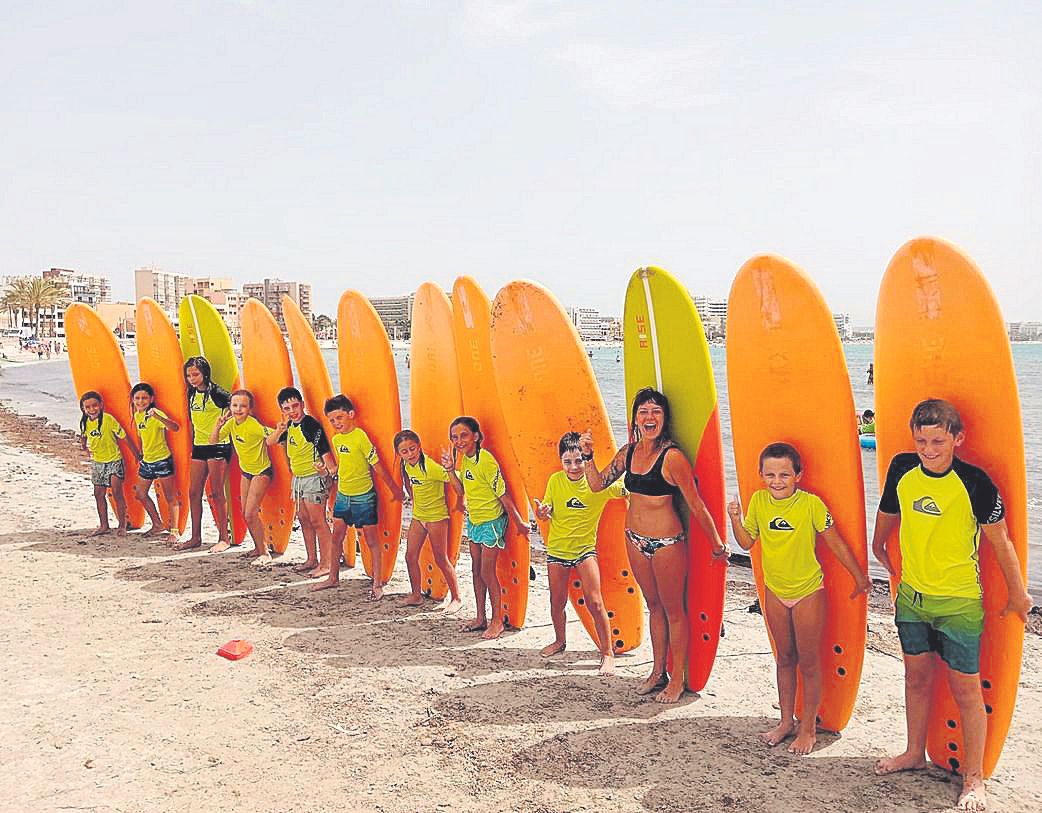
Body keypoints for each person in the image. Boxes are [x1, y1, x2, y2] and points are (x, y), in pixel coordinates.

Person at [872, 398, 1033, 812]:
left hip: (959, 602)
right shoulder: (902, 468)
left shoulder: (976, 482)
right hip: (912, 597)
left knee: (966, 690)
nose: (928, 449)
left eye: (938, 441)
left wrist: (1019, 594)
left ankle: (974, 778)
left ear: (957, 438)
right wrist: (878, 543)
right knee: (915, 679)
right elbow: (889, 509)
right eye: (922, 440)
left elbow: (1001, 541)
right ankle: (913, 753)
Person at [581, 387, 727, 703]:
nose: (650, 417)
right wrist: (588, 457)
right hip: (634, 539)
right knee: (654, 606)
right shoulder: (629, 452)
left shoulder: (672, 458)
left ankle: (677, 680)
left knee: (674, 610)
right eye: (644, 412)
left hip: (666, 543)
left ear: (664, 419)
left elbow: (696, 504)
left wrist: (717, 545)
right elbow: (596, 484)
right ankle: (657, 671)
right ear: (635, 418)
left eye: (656, 412)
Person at [727, 442, 871, 754]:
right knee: (784, 658)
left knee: (808, 662)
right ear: (761, 475)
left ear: (798, 476)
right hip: (775, 592)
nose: (776, 480)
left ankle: (808, 729)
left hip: (808, 592)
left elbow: (835, 543)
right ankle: (785, 722)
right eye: (770, 474)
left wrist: (860, 577)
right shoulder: (759, 501)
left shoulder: (811, 505)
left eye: (784, 474)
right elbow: (747, 541)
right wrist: (734, 517)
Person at [534, 431, 625, 676]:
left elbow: (627, 488)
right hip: (557, 551)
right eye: (567, 462)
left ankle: (607, 653)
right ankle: (560, 641)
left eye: (578, 461)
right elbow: (546, 511)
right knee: (557, 603)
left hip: (585, 551)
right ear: (561, 462)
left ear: (586, 460)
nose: (574, 467)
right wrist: (542, 512)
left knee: (595, 602)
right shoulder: (555, 481)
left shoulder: (598, 485)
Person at [442, 416, 530, 640]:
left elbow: (503, 494)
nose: (459, 441)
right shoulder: (466, 460)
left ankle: (497, 620)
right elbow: (461, 491)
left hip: (491, 522)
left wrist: (519, 522)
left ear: (476, 436)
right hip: (474, 521)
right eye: (454, 437)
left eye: (463, 435)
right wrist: (451, 470)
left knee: (486, 572)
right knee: (475, 570)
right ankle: (480, 617)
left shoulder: (486, 461)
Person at [316, 395, 403, 596]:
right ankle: (333, 578)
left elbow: (377, 465)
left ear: (351, 414)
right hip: (343, 496)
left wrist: (395, 489)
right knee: (336, 537)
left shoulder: (361, 436)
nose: (336, 423)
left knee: (371, 541)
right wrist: (327, 471)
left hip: (363, 497)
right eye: (332, 420)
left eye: (339, 417)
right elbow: (342, 467)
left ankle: (378, 583)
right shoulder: (337, 440)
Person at [268, 387, 336, 577]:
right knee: (304, 520)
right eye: (287, 408)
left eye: (295, 406)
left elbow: (327, 457)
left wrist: (327, 473)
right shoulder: (289, 426)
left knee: (318, 521)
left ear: (303, 404)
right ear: (282, 411)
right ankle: (311, 559)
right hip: (298, 480)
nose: (292, 411)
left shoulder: (311, 426)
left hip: (314, 480)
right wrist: (279, 429)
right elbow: (270, 442)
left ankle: (327, 564)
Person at [395, 429, 463, 612]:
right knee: (410, 556)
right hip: (419, 516)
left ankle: (456, 598)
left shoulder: (430, 467)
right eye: (404, 451)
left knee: (441, 558)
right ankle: (416, 595)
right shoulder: (407, 466)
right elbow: (410, 482)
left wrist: (450, 469)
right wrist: (412, 498)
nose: (410, 454)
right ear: (399, 454)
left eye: (412, 449)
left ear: (419, 447)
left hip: (436, 518)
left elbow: (458, 483)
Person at [175, 357, 232, 552]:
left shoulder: (217, 393)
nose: (192, 378)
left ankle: (224, 538)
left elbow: (239, 406)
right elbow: (191, 422)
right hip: (199, 447)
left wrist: (227, 421)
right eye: (189, 375)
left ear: (205, 373)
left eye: (195, 374)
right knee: (193, 492)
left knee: (216, 493)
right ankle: (195, 537)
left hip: (218, 446)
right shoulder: (191, 394)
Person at [212, 389, 275, 565]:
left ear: (250, 409)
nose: (238, 409)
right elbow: (213, 441)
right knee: (245, 513)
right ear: (230, 407)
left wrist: (280, 430)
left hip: (261, 472)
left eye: (243, 406)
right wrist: (218, 425)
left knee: (250, 513)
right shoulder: (231, 424)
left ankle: (265, 553)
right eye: (235, 405)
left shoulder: (253, 424)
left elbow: (271, 437)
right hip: (245, 472)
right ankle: (257, 547)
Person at [78, 391, 140, 537]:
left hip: (114, 460)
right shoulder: (84, 422)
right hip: (98, 463)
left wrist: (136, 454)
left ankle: (122, 525)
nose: (92, 409)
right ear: (83, 409)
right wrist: (84, 447)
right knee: (98, 494)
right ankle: (104, 525)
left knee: (117, 493)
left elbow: (124, 436)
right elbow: (84, 436)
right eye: (88, 407)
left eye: (94, 405)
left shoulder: (108, 419)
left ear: (100, 405)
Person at [130, 382, 181, 539]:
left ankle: (174, 532)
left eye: (144, 398)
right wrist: (139, 453)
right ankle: (157, 524)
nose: (140, 401)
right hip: (147, 461)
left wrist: (158, 417)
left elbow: (175, 428)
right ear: (133, 399)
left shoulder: (156, 414)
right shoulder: (137, 415)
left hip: (162, 460)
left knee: (170, 497)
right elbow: (141, 436)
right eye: (137, 398)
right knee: (140, 493)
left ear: (151, 399)